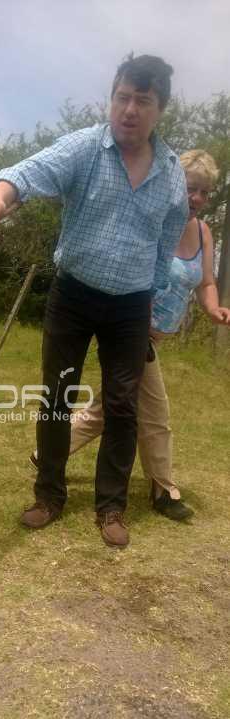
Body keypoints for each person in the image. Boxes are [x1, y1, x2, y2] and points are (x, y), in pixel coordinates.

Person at [0, 54, 189, 548]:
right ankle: (48, 495)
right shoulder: (86, 147)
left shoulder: (173, 173)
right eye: (122, 97)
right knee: (57, 396)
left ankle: (111, 506)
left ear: (160, 109)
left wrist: (153, 299)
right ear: (112, 98)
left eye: (142, 100)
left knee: (122, 406)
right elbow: (31, 171)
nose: (129, 110)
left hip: (131, 307)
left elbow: (167, 241)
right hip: (73, 295)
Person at [30, 150, 230, 521]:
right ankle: (163, 490)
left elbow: (205, 282)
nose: (197, 198)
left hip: (155, 337)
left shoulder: (203, 233)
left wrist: (214, 308)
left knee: (110, 408)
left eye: (205, 192)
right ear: (174, 185)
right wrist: (140, 318)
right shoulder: (155, 222)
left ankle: (47, 454)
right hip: (134, 332)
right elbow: (131, 270)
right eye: (190, 188)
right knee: (155, 414)